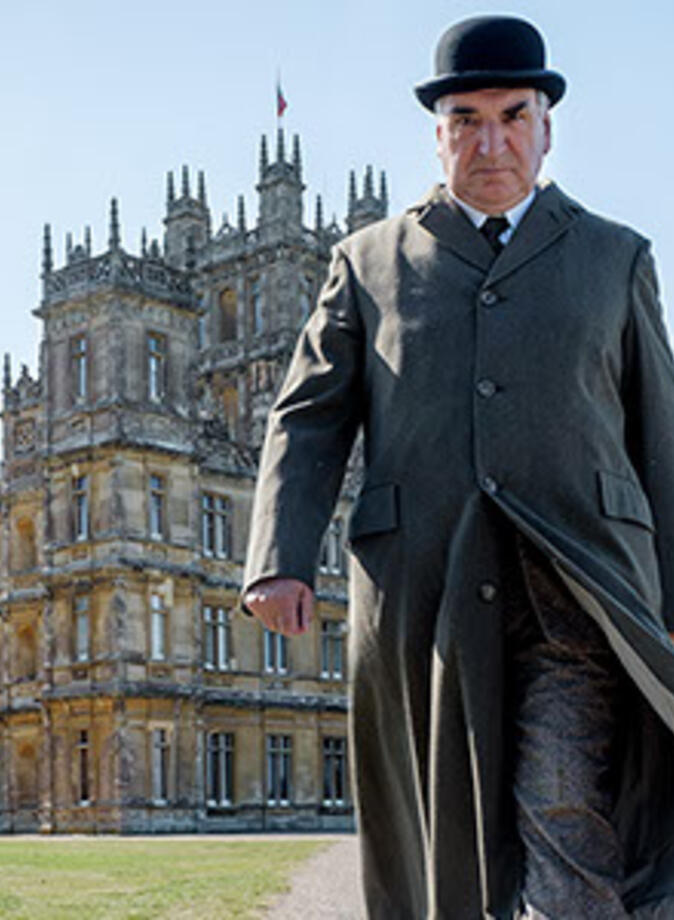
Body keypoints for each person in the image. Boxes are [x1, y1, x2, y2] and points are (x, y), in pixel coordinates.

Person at [242, 15, 674, 919]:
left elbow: (660, 441)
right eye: (467, 119)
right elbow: (309, 415)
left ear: (546, 126)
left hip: (581, 581)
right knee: (445, 836)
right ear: (436, 132)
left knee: (565, 800)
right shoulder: (366, 263)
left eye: (513, 115)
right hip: (426, 585)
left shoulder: (616, 256)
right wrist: (279, 556)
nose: (492, 141)